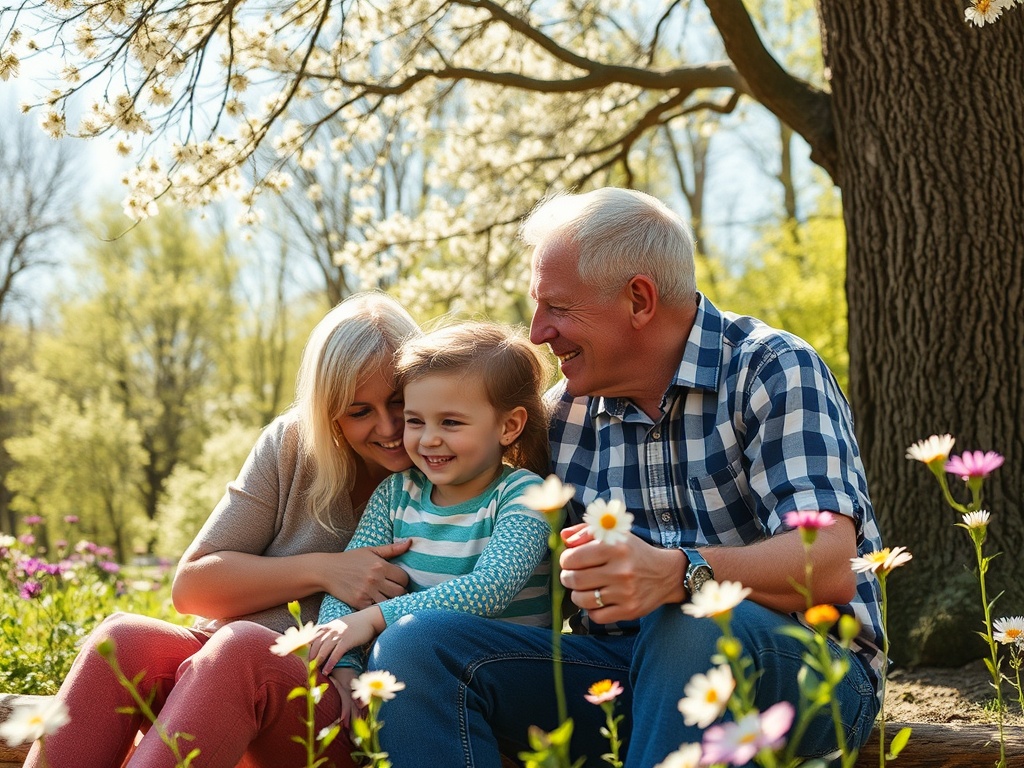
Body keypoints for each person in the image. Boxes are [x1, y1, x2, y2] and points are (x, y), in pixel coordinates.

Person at [368, 188, 886, 767]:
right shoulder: (560, 415)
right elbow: (471, 510)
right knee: (415, 647)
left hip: (805, 673)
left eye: (559, 308)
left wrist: (679, 573)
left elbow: (834, 564)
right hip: (618, 676)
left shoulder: (771, 370)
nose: (538, 332)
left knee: (692, 623)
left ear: (639, 299)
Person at [25, 291, 421, 768]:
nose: (389, 426)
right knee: (124, 639)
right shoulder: (294, 445)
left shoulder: (449, 470)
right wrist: (325, 570)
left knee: (243, 652)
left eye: (399, 401)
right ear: (329, 411)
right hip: (218, 675)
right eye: (359, 411)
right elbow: (193, 587)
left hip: (335, 707)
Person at [308, 321, 554, 725]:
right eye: (416, 421)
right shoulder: (396, 493)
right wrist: (346, 663)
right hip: (415, 681)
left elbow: (489, 590)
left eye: (451, 423)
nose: (427, 440)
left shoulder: (524, 494)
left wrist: (371, 620)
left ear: (509, 426)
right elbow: (349, 585)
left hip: (509, 683)